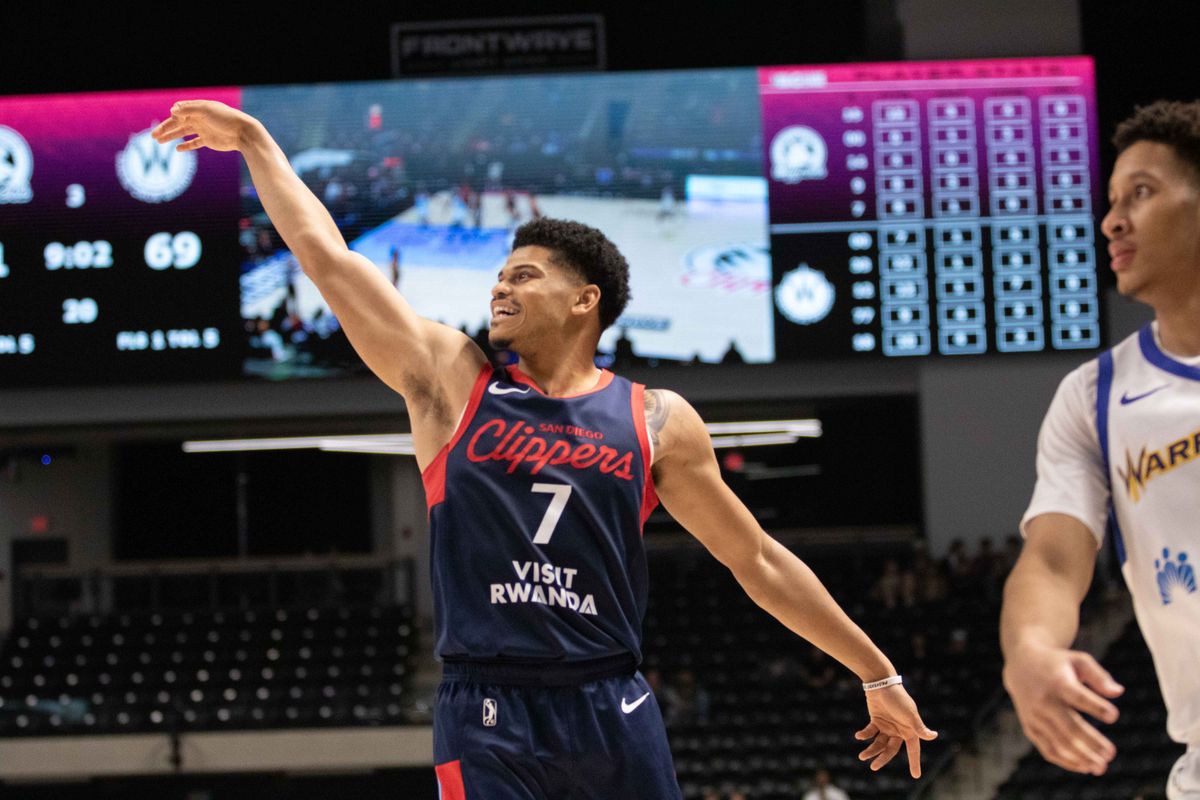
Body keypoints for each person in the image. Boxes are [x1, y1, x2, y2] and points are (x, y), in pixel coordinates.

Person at [151, 100, 936, 798]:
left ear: (584, 300)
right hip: (486, 707)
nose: (499, 288)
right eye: (498, 275)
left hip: (611, 704)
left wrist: (878, 670)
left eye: (521, 275)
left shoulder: (656, 418)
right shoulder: (453, 381)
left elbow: (756, 560)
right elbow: (329, 259)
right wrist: (255, 143)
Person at [1001, 100, 1200, 799]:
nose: (1112, 220)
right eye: (1112, 200)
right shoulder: (1095, 396)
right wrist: (1030, 650)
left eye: (1141, 193)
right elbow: (1054, 560)